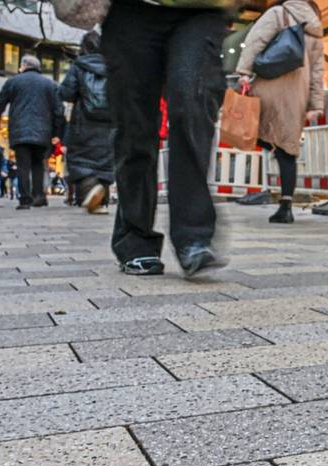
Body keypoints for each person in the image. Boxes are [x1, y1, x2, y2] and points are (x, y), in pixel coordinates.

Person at [101, 0, 230, 277]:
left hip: (200, 8)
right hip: (131, 12)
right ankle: (135, 239)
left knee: (192, 101)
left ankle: (194, 236)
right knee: (134, 126)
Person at [236, 0, 325, 224]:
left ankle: (257, 180)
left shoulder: (278, 13)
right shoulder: (316, 30)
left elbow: (255, 41)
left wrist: (244, 71)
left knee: (259, 135)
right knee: (287, 149)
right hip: (296, 96)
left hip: (268, 86)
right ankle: (285, 206)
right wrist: (316, 105)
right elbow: (317, 72)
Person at [0, 55, 64, 210]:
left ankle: (25, 199)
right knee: (38, 164)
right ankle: (39, 197)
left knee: (23, 165)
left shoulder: (13, 82)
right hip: (43, 132)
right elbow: (58, 110)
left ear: (23, 66)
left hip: (20, 131)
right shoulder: (50, 84)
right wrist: (58, 132)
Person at [60, 31, 114, 215]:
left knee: (81, 160)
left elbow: (66, 93)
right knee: (106, 159)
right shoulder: (115, 65)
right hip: (110, 123)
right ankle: (102, 198)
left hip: (83, 123)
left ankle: (91, 191)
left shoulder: (79, 66)